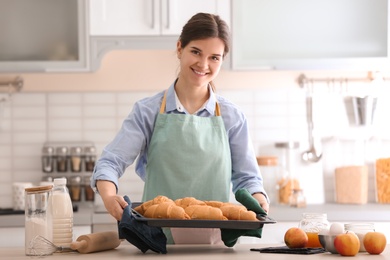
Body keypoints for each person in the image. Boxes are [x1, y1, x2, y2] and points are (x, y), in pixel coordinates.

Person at [91, 12, 269, 244]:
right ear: (179, 49)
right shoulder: (148, 111)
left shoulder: (232, 117)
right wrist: (108, 195)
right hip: (157, 239)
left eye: (214, 57)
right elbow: (110, 162)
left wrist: (259, 200)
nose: (203, 64)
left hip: (214, 244)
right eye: (196, 52)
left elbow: (247, 178)